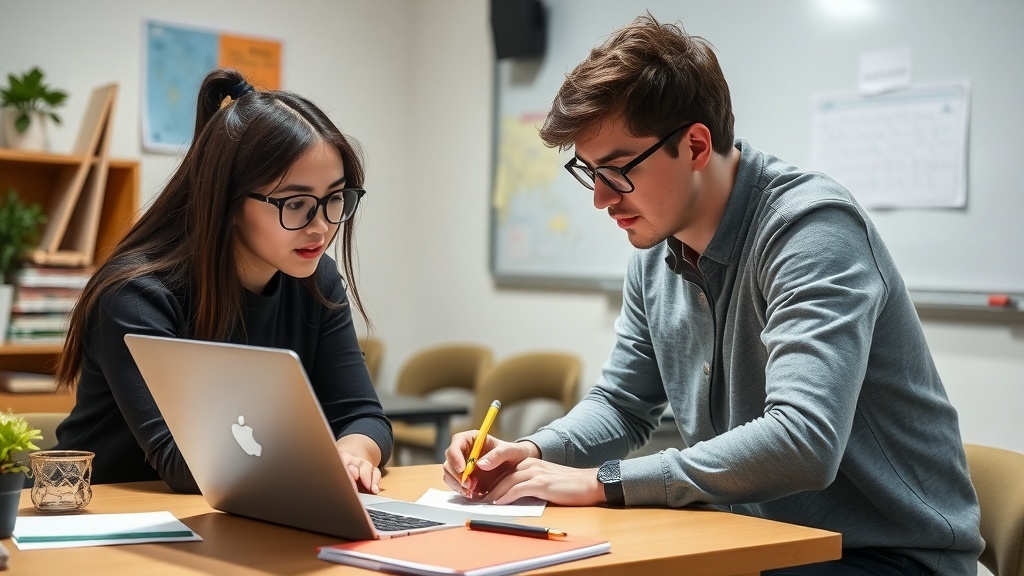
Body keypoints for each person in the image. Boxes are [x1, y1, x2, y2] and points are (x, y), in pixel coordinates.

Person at [443, 15, 982, 575]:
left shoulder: (812, 232)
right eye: (589, 171)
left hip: (887, 558)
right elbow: (621, 405)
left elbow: (803, 439)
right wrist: (532, 453)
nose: (601, 199)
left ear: (696, 144)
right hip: (752, 539)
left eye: (618, 169)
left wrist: (607, 482)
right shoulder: (655, 253)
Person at [52, 68, 392, 495]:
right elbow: (182, 464)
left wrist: (353, 455)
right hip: (107, 522)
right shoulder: (136, 294)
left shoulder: (316, 280)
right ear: (229, 201)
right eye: (296, 203)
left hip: (241, 512)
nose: (321, 226)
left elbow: (363, 415)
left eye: (335, 198)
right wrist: (318, 460)